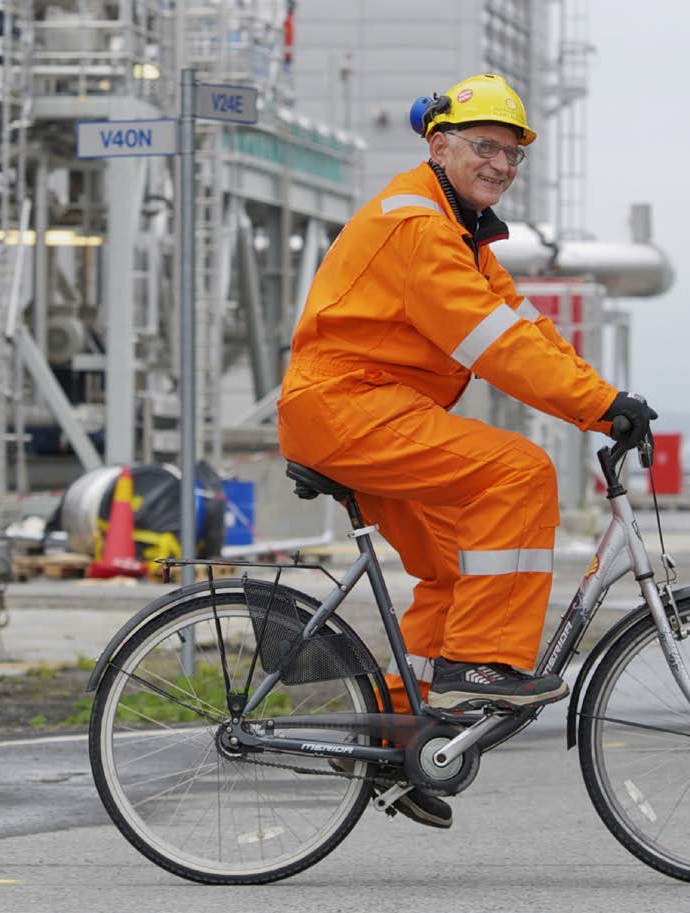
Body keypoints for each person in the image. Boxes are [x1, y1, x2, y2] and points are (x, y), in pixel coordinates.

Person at [277, 73, 655, 828]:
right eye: (484, 147)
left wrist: (606, 399)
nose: (499, 164)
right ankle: (477, 665)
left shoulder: (463, 236)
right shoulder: (419, 226)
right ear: (439, 146)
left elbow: (530, 332)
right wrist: (593, 409)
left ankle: (397, 733)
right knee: (518, 470)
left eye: (511, 154)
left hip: (369, 410)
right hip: (347, 408)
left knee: (455, 568)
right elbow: (495, 347)